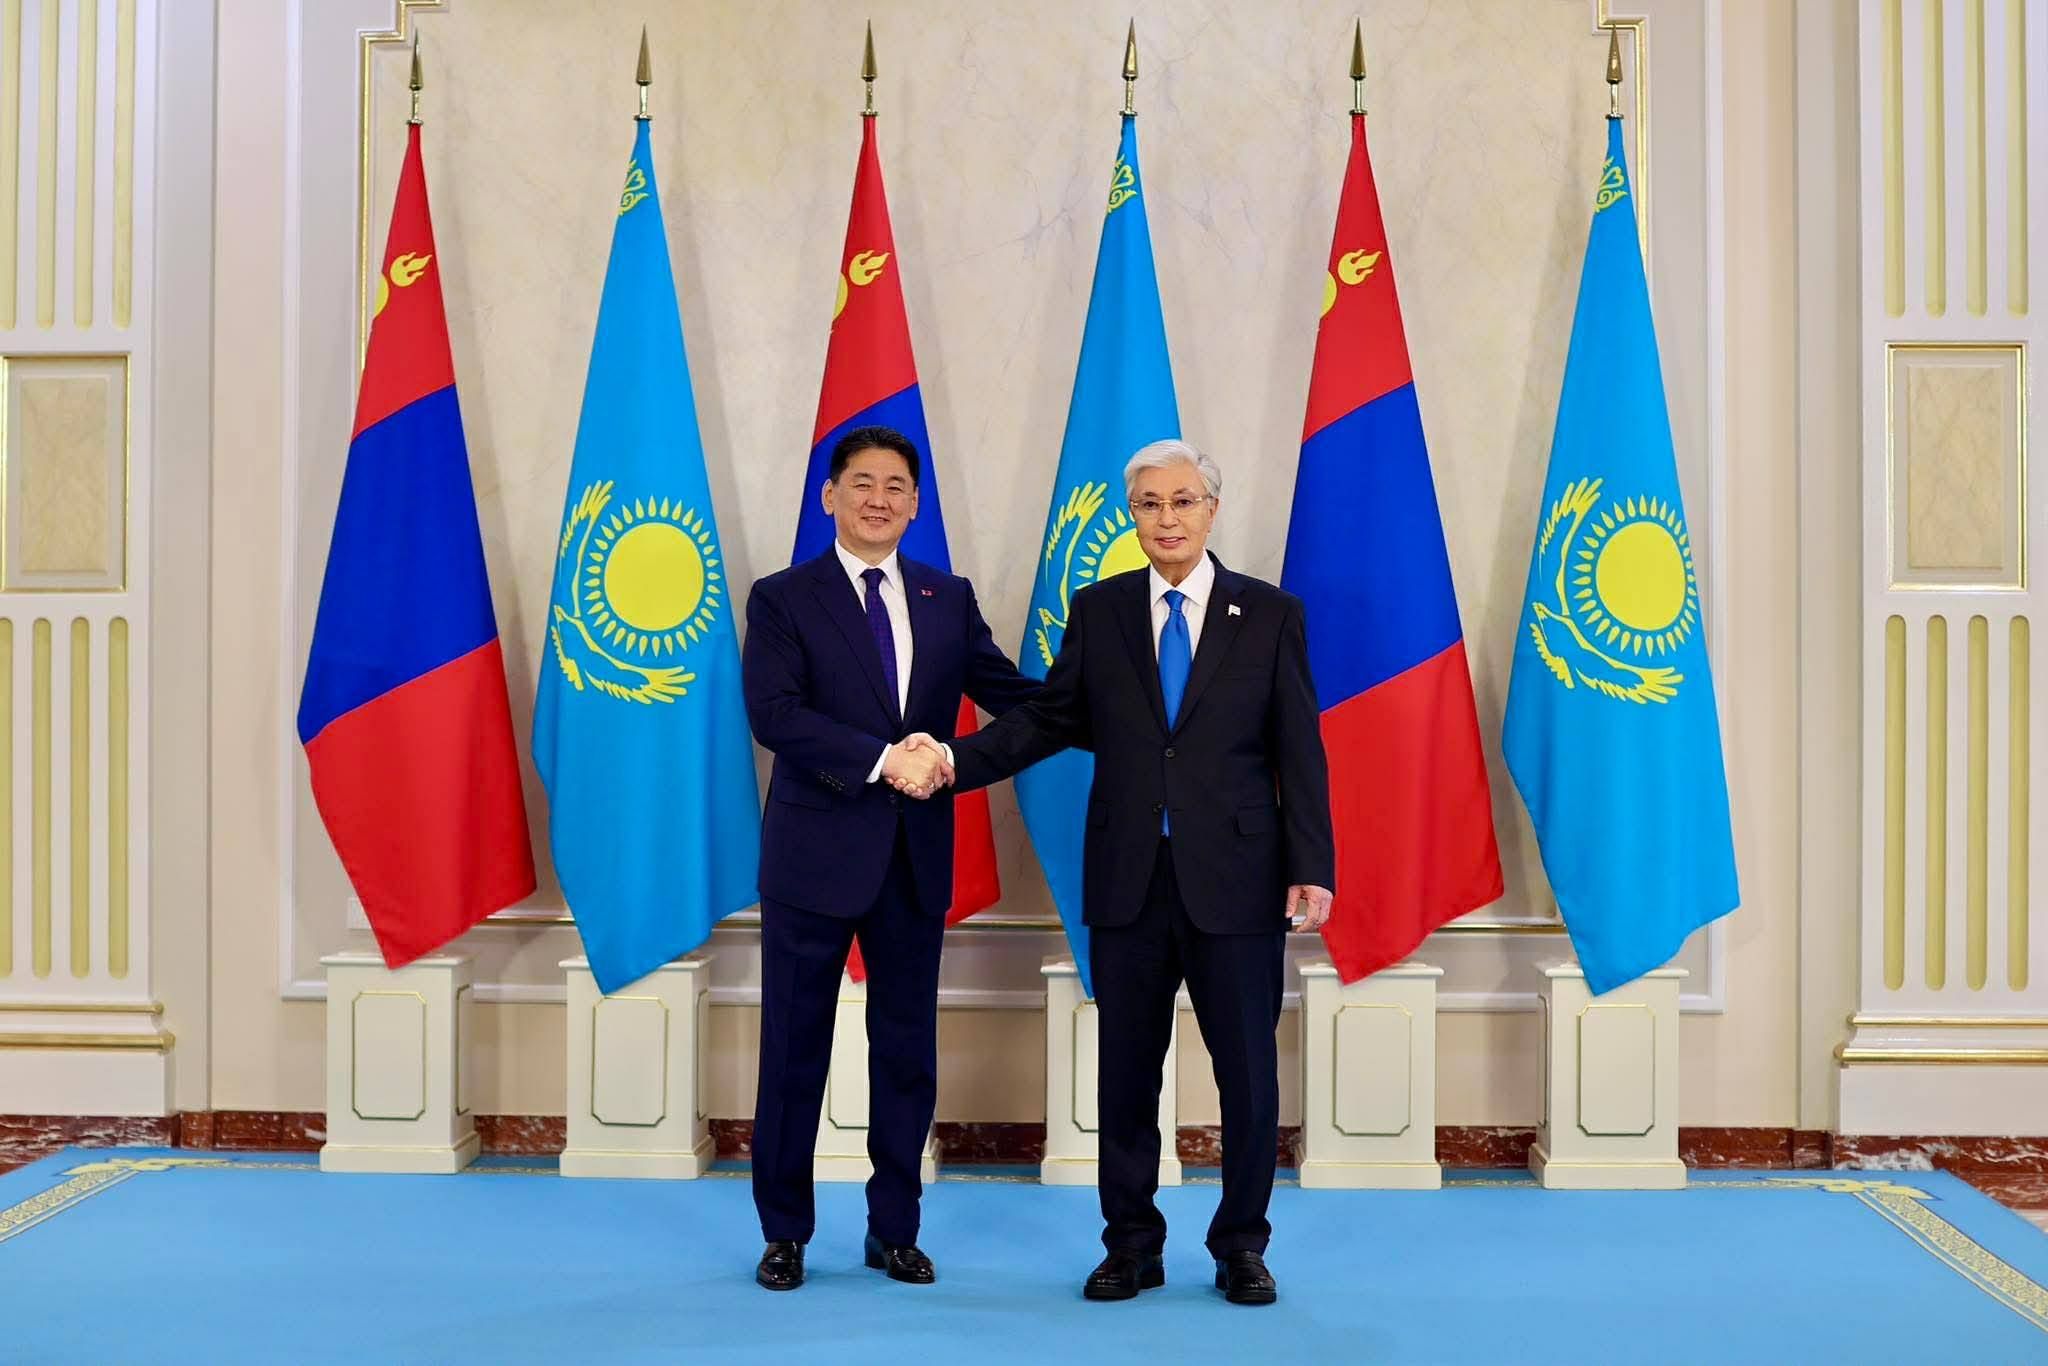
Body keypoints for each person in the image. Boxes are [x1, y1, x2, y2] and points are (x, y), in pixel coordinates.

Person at [907, 438, 1334, 1306]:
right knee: (1127, 1075)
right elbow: (1048, 719)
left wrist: (1311, 865)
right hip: (1128, 877)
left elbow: (1299, 746)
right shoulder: (1099, 610)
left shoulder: (1270, 613)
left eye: (1183, 502)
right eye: (1149, 504)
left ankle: (1241, 1247)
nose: (1166, 519)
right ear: (1132, 516)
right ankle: (1131, 1244)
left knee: (1248, 1075)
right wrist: (951, 759)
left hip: (1239, 879)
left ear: (1212, 510)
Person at [740, 425, 1040, 1292]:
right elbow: (776, 715)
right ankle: (785, 1233)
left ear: (916, 505)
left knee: (905, 1052)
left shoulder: (948, 597)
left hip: (913, 856)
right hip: (813, 855)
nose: (879, 499)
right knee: (793, 1050)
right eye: (863, 483)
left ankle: (895, 1230)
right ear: (829, 497)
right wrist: (884, 760)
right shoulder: (783, 598)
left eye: (897, 487)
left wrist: (1105, 699)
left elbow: (1016, 698)